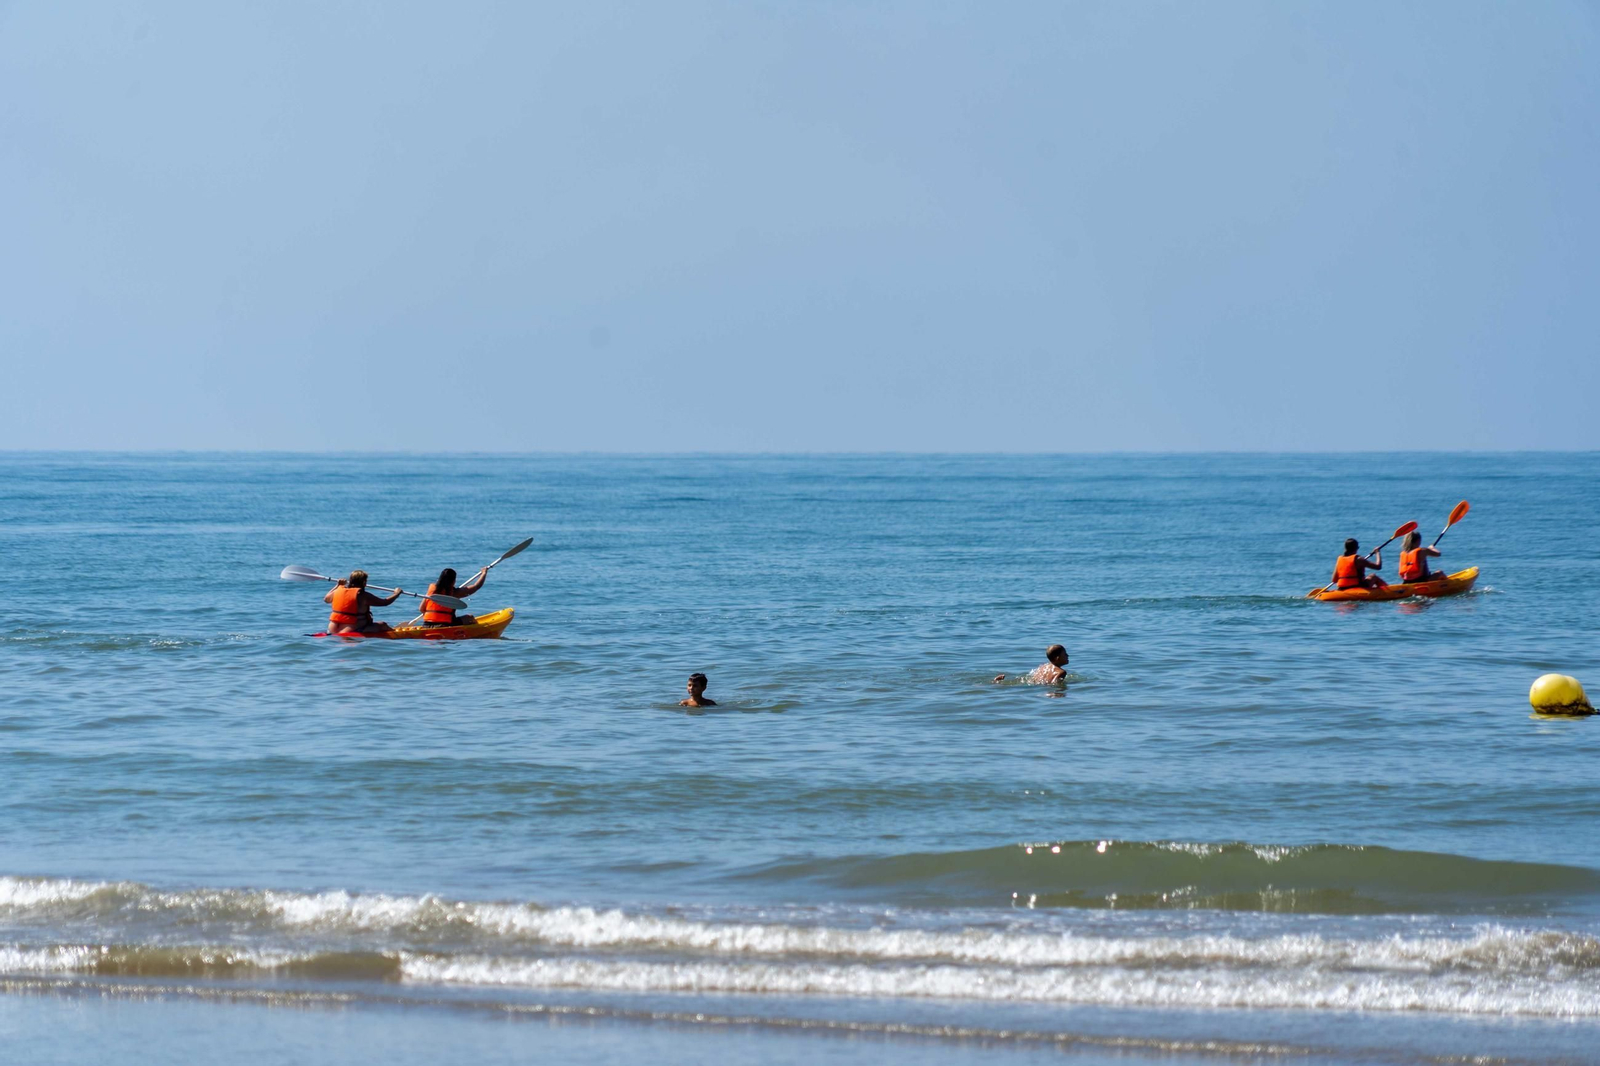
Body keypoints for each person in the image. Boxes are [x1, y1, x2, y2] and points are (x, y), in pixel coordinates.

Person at [324, 570, 403, 635]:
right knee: (383, 625)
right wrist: (396, 594)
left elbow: (326, 599)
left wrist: (338, 585)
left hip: (332, 630)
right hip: (351, 630)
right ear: (364, 582)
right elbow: (385, 602)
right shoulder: (363, 595)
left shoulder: (338, 590)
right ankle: (395, 633)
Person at [420, 566, 486, 627]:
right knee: (470, 618)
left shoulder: (431, 590)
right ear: (453, 581)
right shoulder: (454, 593)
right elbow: (476, 586)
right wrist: (484, 573)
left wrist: (432, 618)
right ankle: (476, 632)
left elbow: (421, 609)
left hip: (426, 624)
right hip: (445, 625)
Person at [994, 644, 1070, 684]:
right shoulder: (1061, 672)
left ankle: (999, 682)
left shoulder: (1043, 667)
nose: (1067, 656)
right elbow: (1054, 686)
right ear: (1057, 658)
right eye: (1065, 654)